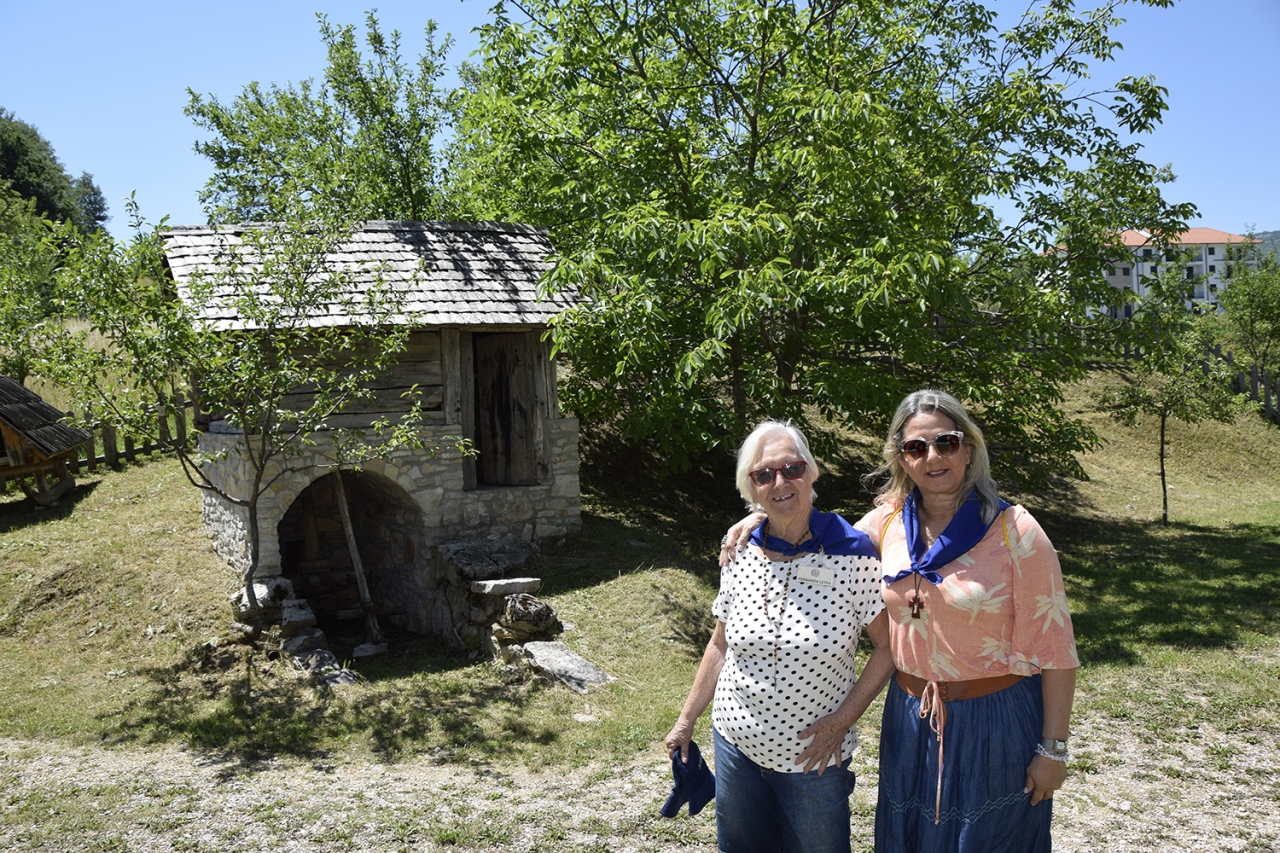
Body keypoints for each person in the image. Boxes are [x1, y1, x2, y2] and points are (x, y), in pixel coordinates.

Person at [721, 391, 1078, 852]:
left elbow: (1056, 649)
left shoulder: (1016, 530)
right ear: (901, 458)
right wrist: (759, 518)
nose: (932, 457)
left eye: (946, 442)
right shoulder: (886, 523)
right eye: (915, 447)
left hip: (994, 719)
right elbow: (819, 536)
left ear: (969, 450)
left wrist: (1053, 749)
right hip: (910, 717)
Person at [664, 419, 894, 853]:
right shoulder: (739, 549)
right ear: (750, 488)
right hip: (736, 747)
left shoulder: (852, 553)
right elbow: (719, 643)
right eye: (764, 474)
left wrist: (843, 721)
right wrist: (685, 721)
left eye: (791, 468)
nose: (780, 482)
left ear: (812, 471)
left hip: (814, 757)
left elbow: (888, 647)